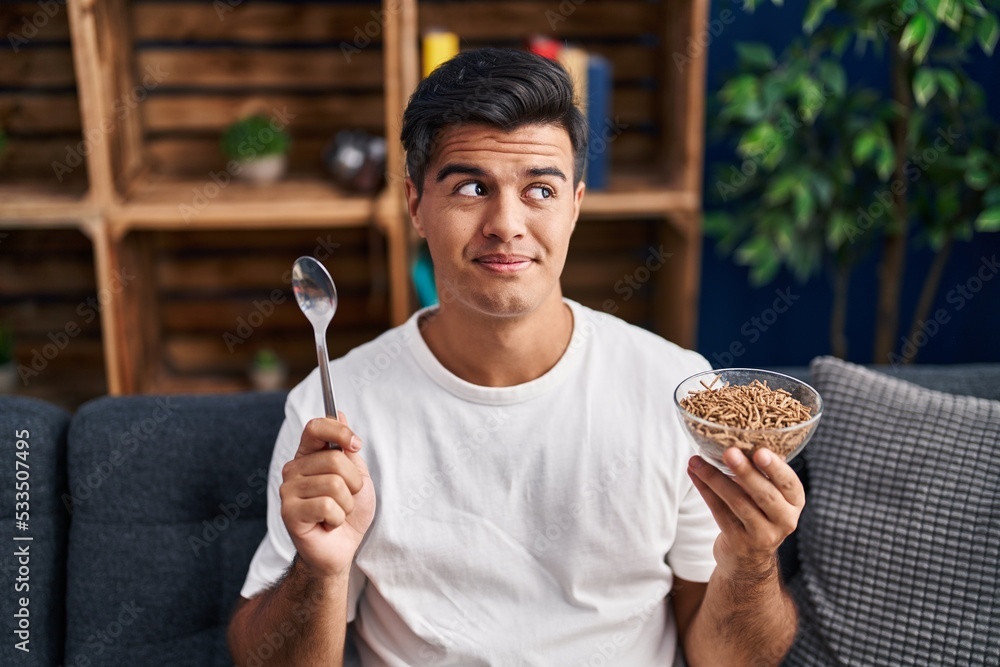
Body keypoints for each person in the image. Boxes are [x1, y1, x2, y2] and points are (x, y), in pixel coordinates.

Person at [228, 47, 803, 666]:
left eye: (540, 189)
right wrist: (320, 570)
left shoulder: (676, 387)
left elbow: (731, 660)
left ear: (575, 204)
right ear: (415, 203)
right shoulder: (332, 405)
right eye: (472, 186)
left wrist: (750, 563)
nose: (506, 223)